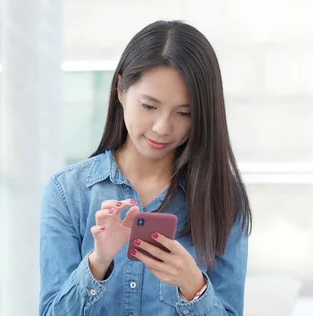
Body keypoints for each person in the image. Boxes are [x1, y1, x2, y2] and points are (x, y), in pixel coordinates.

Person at [39, 20, 252, 316]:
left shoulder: (223, 198)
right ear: (121, 90)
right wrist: (98, 262)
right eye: (149, 106)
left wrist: (194, 286)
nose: (163, 128)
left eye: (184, 113)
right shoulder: (68, 192)